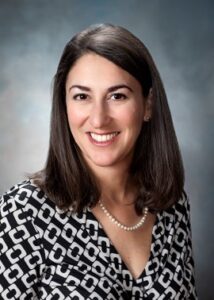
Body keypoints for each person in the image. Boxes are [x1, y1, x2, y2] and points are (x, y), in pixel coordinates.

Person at [0, 23, 197, 299]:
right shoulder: (24, 211)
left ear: (148, 104)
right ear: (64, 105)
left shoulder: (173, 206)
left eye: (117, 96)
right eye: (82, 96)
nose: (98, 119)